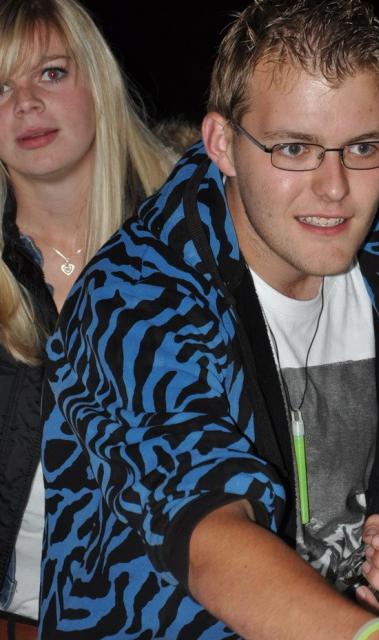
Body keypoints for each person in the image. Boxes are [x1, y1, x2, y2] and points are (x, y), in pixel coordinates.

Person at [39, 0, 379, 638]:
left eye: (362, 147)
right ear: (223, 144)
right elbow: (210, 537)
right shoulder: (134, 296)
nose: (334, 187)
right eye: (294, 148)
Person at [0, 0, 175, 637]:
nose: (25, 103)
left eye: (50, 73)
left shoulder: (197, 239)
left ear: (96, 79)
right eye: (0, 86)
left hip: (190, 614)